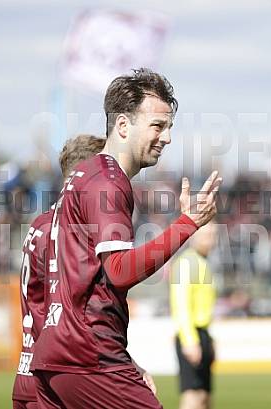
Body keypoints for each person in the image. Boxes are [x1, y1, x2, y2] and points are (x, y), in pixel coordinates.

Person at [31, 68, 223, 409]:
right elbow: (118, 271)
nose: (166, 137)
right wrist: (187, 224)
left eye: (169, 127)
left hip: (56, 355)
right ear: (123, 125)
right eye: (157, 126)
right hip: (89, 356)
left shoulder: (82, 176)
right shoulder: (108, 181)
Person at [12, 135, 156, 408]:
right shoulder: (64, 230)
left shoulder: (44, 224)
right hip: (57, 370)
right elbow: (65, 310)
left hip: (35, 367)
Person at [170, 222, 218, 409]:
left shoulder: (203, 262)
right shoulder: (186, 263)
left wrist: (209, 339)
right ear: (193, 236)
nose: (210, 240)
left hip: (203, 334)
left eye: (213, 235)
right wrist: (190, 340)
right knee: (192, 396)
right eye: (206, 235)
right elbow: (180, 304)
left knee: (204, 396)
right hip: (191, 336)